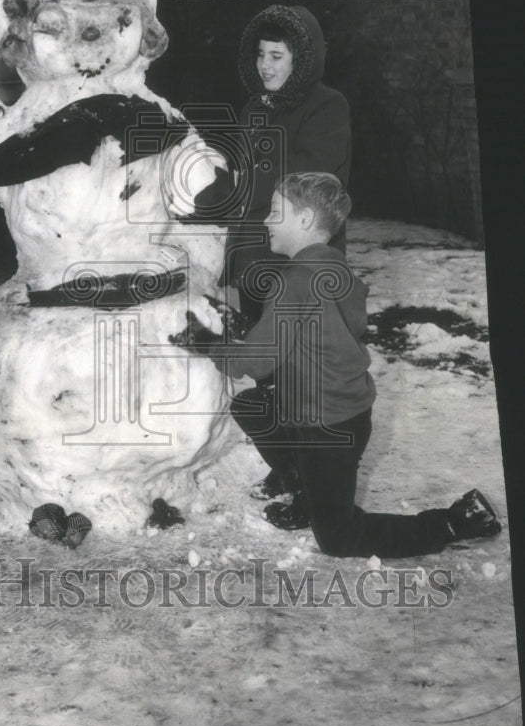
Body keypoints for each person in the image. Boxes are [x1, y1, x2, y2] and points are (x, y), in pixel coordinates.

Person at [211, 172, 501, 558]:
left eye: (276, 211)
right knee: (252, 406)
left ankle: (454, 521)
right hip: (344, 416)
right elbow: (307, 336)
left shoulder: (295, 282)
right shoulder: (336, 270)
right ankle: (305, 492)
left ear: (304, 220)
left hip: (325, 429)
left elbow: (261, 360)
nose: (265, 220)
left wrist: (212, 347)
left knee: (338, 538)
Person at [223, 5, 351, 321]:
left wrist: (234, 186)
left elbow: (301, 180)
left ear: (302, 60)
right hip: (253, 262)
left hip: (299, 265)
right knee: (264, 362)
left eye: (276, 56)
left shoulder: (327, 106)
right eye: (260, 54)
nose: (264, 65)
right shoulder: (254, 109)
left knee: (301, 362)